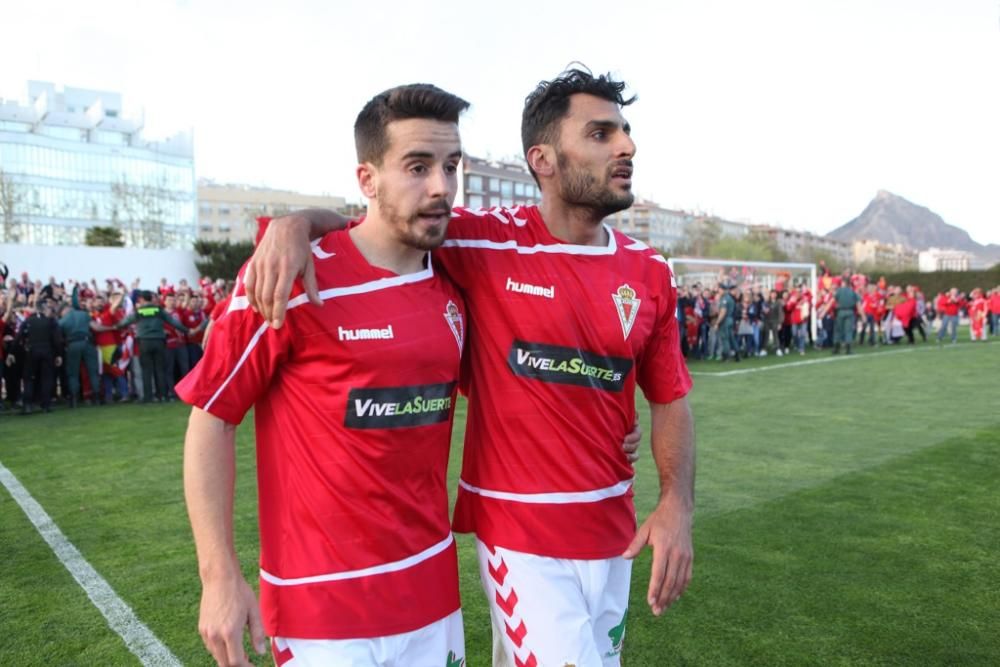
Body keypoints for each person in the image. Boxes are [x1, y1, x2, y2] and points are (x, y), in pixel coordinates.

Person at [246, 68, 695, 666]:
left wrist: (675, 506)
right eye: (601, 133)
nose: (626, 146)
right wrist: (294, 223)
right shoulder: (480, 244)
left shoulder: (650, 272)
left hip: (615, 530)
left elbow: (669, 397)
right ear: (544, 159)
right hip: (520, 534)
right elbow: (384, 222)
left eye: (625, 131)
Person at [177, 84, 471, 667]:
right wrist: (218, 576)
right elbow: (211, 418)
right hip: (322, 616)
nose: (441, 185)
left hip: (433, 597)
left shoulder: (460, 278)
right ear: (368, 179)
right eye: (417, 166)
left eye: (451, 165)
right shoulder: (291, 277)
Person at [106, 291, 188, 403]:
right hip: (159, 341)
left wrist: (116, 326)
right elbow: (174, 322)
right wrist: (186, 331)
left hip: (144, 342)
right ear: (151, 299)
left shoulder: (139, 311)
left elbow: (125, 322)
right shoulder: (159, 310)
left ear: (142, 300)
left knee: (146, 370)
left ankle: (148, 397)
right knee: (160, 369)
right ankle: (163, 396)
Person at [14, 299, 63, 414]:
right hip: (47, 351)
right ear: (44, 309)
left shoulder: (28, 320)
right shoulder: (50, 321)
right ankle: (46, 405)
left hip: (32, 351)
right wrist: (59, 354)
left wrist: (12, 351)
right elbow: (57, 339)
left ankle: (28, 405)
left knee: (29, 378)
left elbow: (19, 336)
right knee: (47, 378)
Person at [58, 285, 101, 407]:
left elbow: (57, 335)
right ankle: (96, 397)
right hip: (87, 343)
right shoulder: (84, 314)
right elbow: (96, 327)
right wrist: (112, 327)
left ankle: (74, 399)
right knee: (93, 371)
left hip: (72, 345)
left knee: (73, 373)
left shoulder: (62, 321)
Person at [832, 272, 860, 354]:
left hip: (840, 312)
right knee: (848, 331)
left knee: (838, 330)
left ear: (843, 282)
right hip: (850, 312)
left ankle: (836, 348)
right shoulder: (853, 292)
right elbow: (858, 305)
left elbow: (832, 302)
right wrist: (863, 315)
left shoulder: (839, 291)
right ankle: (849, 349)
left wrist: (823, 312)